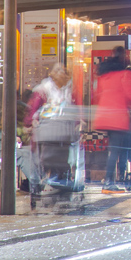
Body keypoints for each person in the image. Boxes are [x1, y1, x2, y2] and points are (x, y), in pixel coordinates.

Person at [92, 47, 131, 193]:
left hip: (104, 116)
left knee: (113, 150)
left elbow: (97, 95)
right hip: (117, 118)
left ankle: (111, 180)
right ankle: (109, 183)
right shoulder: (124, 74)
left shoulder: (104, 76)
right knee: (121, 148)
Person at [29, 63, 77, 192]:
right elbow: (34, 108)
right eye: (59, 71)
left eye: (64, 72)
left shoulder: (69, 89)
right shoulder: (44, 89)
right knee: (49, 155)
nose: (63, 74)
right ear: (54, 75)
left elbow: (73, 107)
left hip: (64, 129)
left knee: (63, 155)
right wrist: (33, 120)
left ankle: (59, 179)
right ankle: (50, 179)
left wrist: (79, 122)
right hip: (48, 129)